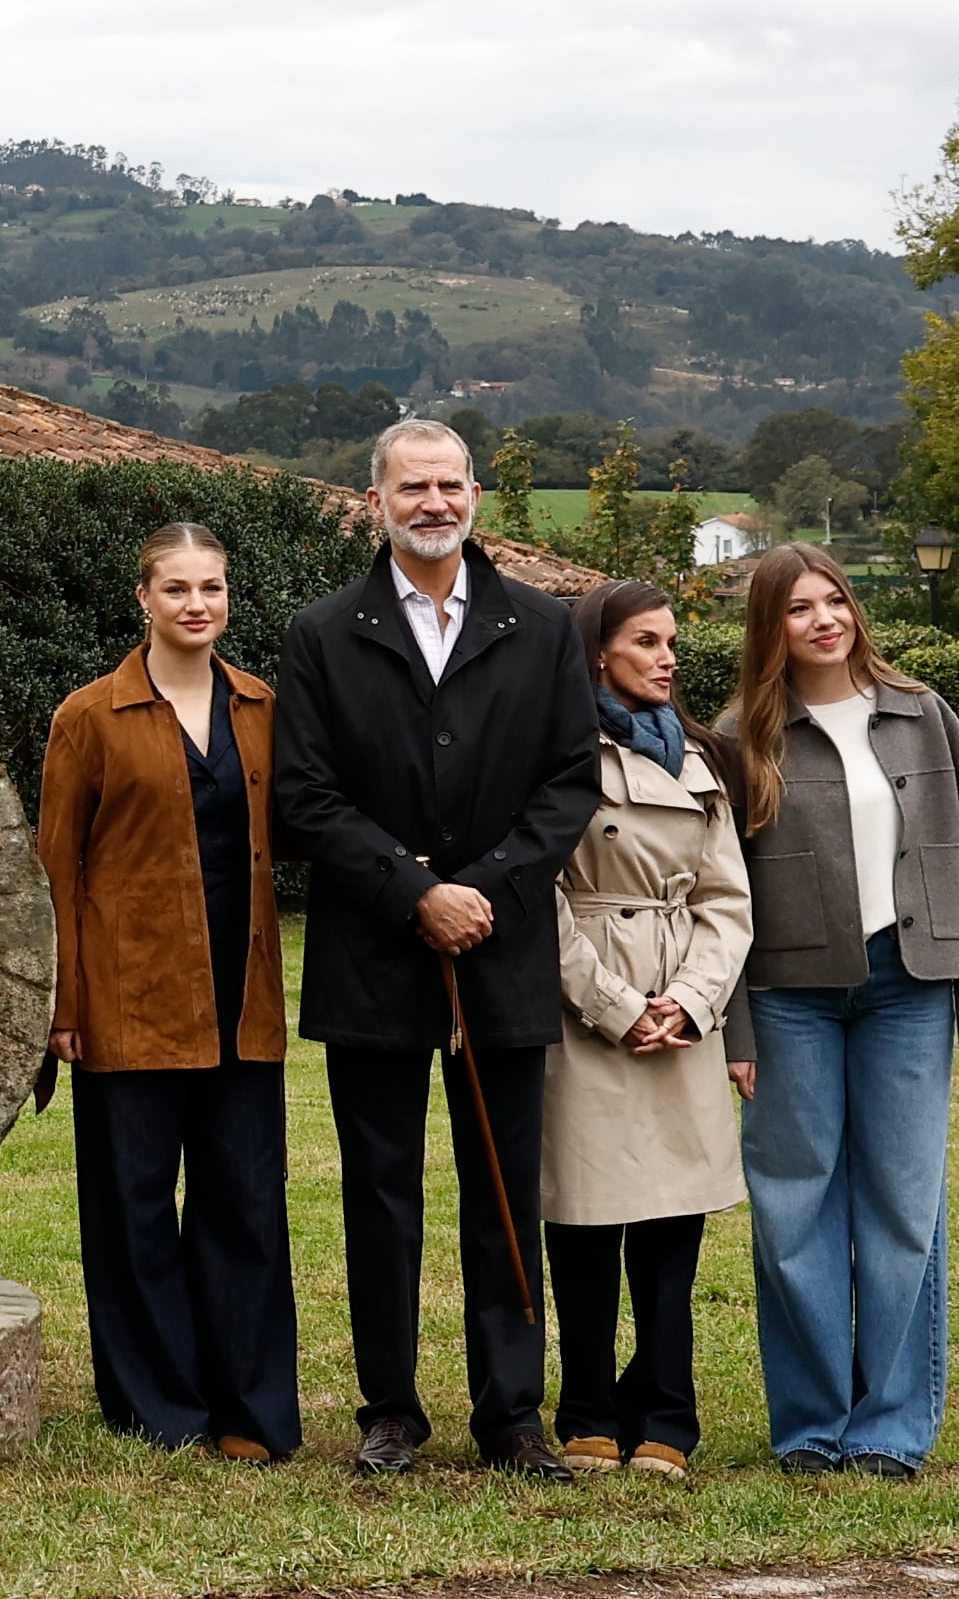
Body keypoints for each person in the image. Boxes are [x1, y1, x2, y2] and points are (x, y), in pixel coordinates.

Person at [271, 416, 602, 1480]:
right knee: (381, 1188)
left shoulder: (543, 628)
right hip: (373, 951)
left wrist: (480, 891)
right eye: (412, 484)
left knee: (504, 1185)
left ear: (476, 497)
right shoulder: (322, 633)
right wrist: (416, 891)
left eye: (451, 483)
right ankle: (391, 1407)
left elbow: (569, 784)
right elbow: (305, 797)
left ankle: (511, 1412)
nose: (435, 501)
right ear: (374, 499)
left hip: (501, 950)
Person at [715, 544, 959, 1481]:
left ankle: (890, 1426)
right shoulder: (740, 735)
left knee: (902, 1205)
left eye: (835, 600)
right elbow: (718, 890)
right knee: (794, 1207)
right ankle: (811, 1423)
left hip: (909, 987)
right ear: (772, 625)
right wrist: (735, 1031)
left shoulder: (924, 716)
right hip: (788, 999)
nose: (824, 619)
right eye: (800, 608)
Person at [36, 520, 302, 1460]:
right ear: (142, 599)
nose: (198, 605)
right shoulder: (89, 718)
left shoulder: (264, 706)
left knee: (246, 1207)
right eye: (178, 588)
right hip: (126, 999)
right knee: (135, 1212)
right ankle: (162, 1409)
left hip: (242, 999)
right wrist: (62, 1008)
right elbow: (56, 869)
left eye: (214, 588)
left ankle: (250, 1412)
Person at [542, 578, 752, 1480]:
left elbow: (726, 900)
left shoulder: (700, 759)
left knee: (672, 1233)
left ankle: (669, 1410)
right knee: (584, 1226)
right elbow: (537, 896)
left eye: (671, 642)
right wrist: (618, 1008)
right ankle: (587, 1405)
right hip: (587, 1012)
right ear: (597, 652)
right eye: (646, 643)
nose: (669, 657)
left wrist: (693, 1002)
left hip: (681, 1015)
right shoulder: (552, 751)